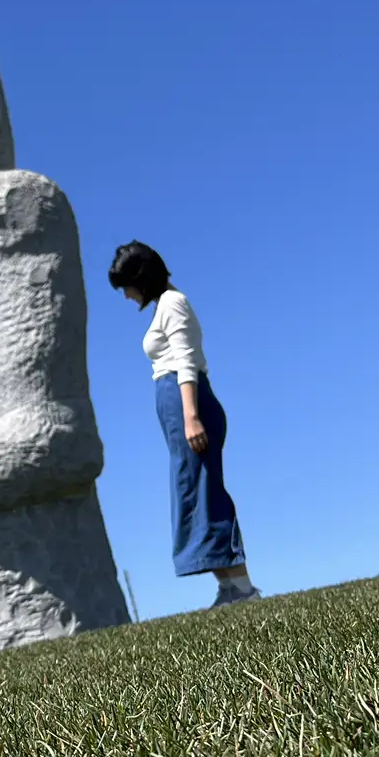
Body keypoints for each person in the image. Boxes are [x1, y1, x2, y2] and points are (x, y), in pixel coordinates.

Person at [109, 241, 259, 607]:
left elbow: (186, 360)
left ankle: (243, 588)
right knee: (192, 490)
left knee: (205, 489)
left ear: (141, 279)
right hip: (176, 408)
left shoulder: (173, 304)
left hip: (188, 404)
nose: (126, 295)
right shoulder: (162, 307)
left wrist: (191, 416)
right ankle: (228, 587)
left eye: (126, 286)